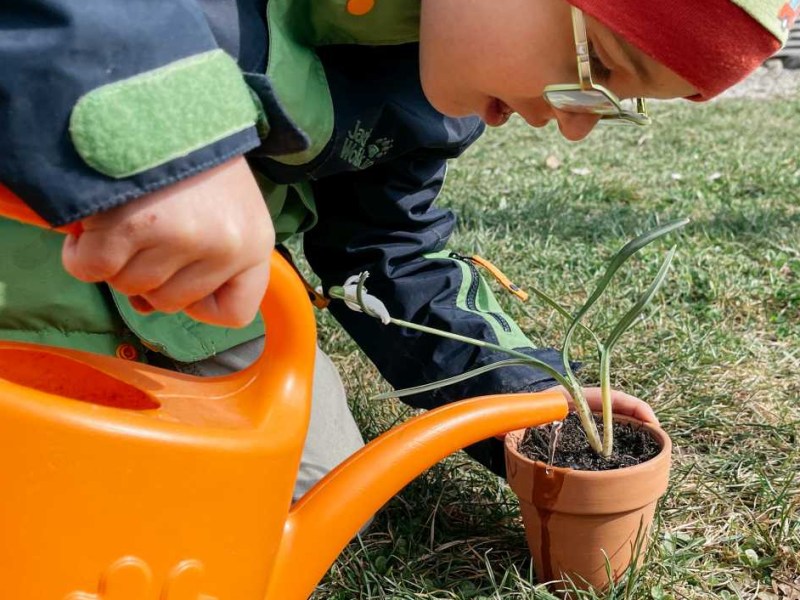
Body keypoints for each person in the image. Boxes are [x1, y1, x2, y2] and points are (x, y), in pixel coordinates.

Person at [0, 0, 789, 495]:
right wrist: (170, 146)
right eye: (603, 67)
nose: (578, 123)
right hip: (22, 297)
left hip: (190, 327)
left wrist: (525, 400)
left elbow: (392, 254)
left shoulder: (429, 88)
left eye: (614, 105)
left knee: (314, 485)